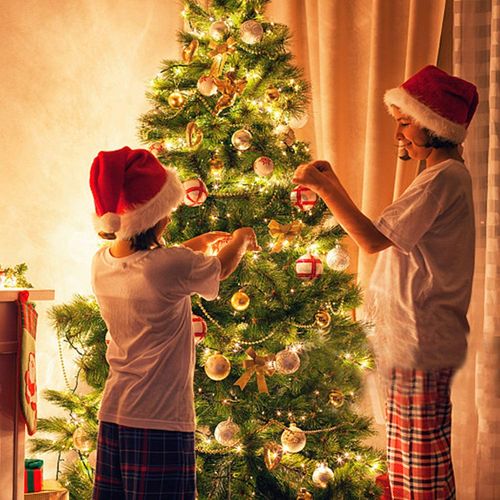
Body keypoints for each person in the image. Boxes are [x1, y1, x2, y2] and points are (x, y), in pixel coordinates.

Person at [293, 65, 478, 499]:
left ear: (434, 126)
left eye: (404, 123)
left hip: (419, 342)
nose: (399, 135)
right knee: (409, 458)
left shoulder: (442, 179)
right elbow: (389, 233)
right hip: (410, 341)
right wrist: (333, 179)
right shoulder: (438, 177)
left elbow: (374, 239)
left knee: (418, 467)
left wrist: (323, 189)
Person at [89, 146, 260, 499]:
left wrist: (198, 244)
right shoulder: (169, 266)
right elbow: (221, 269)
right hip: (160, 420)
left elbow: (150, 267)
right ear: (156, 219)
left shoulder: (101, 262)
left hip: (115, 414)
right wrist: (241, 238)